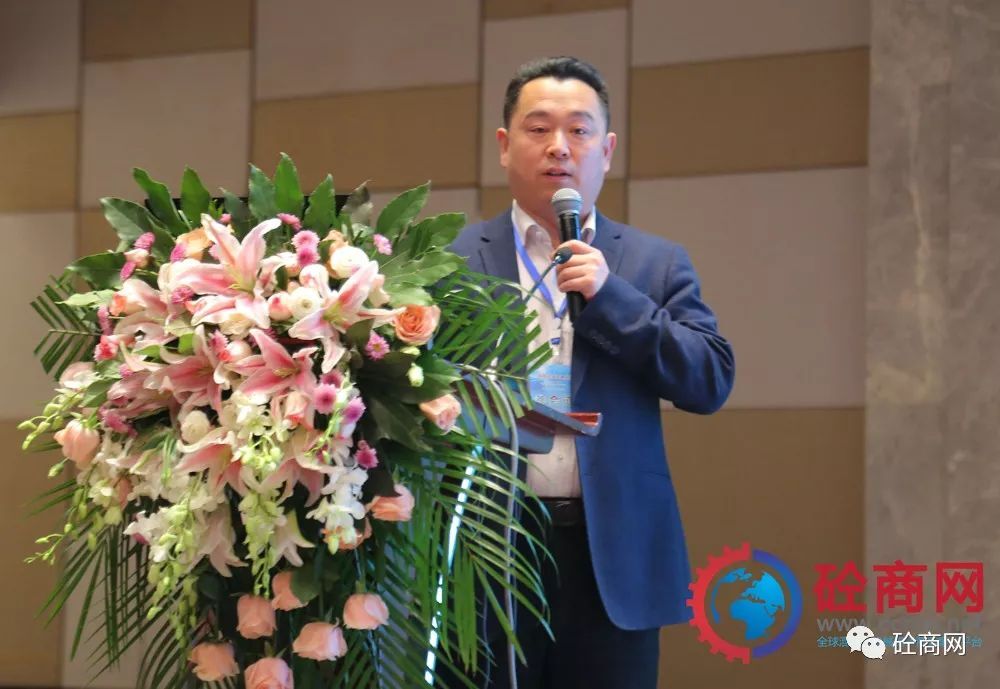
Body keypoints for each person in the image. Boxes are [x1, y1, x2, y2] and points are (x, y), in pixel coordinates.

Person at [448, 56, 735, 689]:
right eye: (538, 128)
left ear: (606, 151)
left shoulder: (654, 264)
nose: (559, 147)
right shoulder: (453, 260)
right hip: (487, 551)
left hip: (611, 554)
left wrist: (613, 298)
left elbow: (709, 380)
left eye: (579, 131)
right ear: (505, 146)